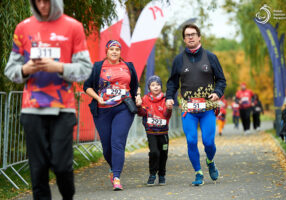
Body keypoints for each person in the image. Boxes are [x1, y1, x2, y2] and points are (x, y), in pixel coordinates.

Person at [4, 0, 92, 199]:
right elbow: (10, 70)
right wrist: (25, 70)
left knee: (62, 166)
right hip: (31, 109)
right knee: (38, 170)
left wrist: (59, 68)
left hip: (63, 108)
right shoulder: (23, 28)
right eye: (38, 1)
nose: (42, 5)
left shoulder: (73, 27)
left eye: (46, 0)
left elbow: (85, 69)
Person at [166, 24, 226, 186]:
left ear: (199, 37)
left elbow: (221, 80)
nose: (190, 37)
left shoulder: (211, 57)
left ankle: (210, 160)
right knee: (191, 141)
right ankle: (198, 172)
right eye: (187, 35)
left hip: (207, 108)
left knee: (208, 142)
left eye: (193, 34)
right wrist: (169, 97)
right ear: (184, 39)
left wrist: (217, 93)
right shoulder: (179, 60)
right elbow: (172, 82)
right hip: (188, 109)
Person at [83, 40, 138, 191]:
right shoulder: (97, 67)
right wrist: (97, 98)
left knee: (117, 142)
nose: (114, 52)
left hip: (123, 108)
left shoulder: (128, 66)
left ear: (120, 52)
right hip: (102, 110)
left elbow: (135, 87)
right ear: (106, 51)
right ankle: (113, 168)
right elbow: (86, 86)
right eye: (111, 49)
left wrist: (138, 96)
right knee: (107, 147)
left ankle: (117, 177)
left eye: (117, 49)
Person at [135, 75, 172, 186]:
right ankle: (152, 174)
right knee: (154, 152)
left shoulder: (166, 99)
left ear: (161, 86)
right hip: (151, 131)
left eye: (158, 85)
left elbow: (166, 114)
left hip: (163, 132)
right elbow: (142, 113)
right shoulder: (146, 99)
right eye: (153, 85)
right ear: (149, 87)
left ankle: (162, 175)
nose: (155, 87)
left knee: (164, 153)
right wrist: (139, 106)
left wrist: (169, 109)